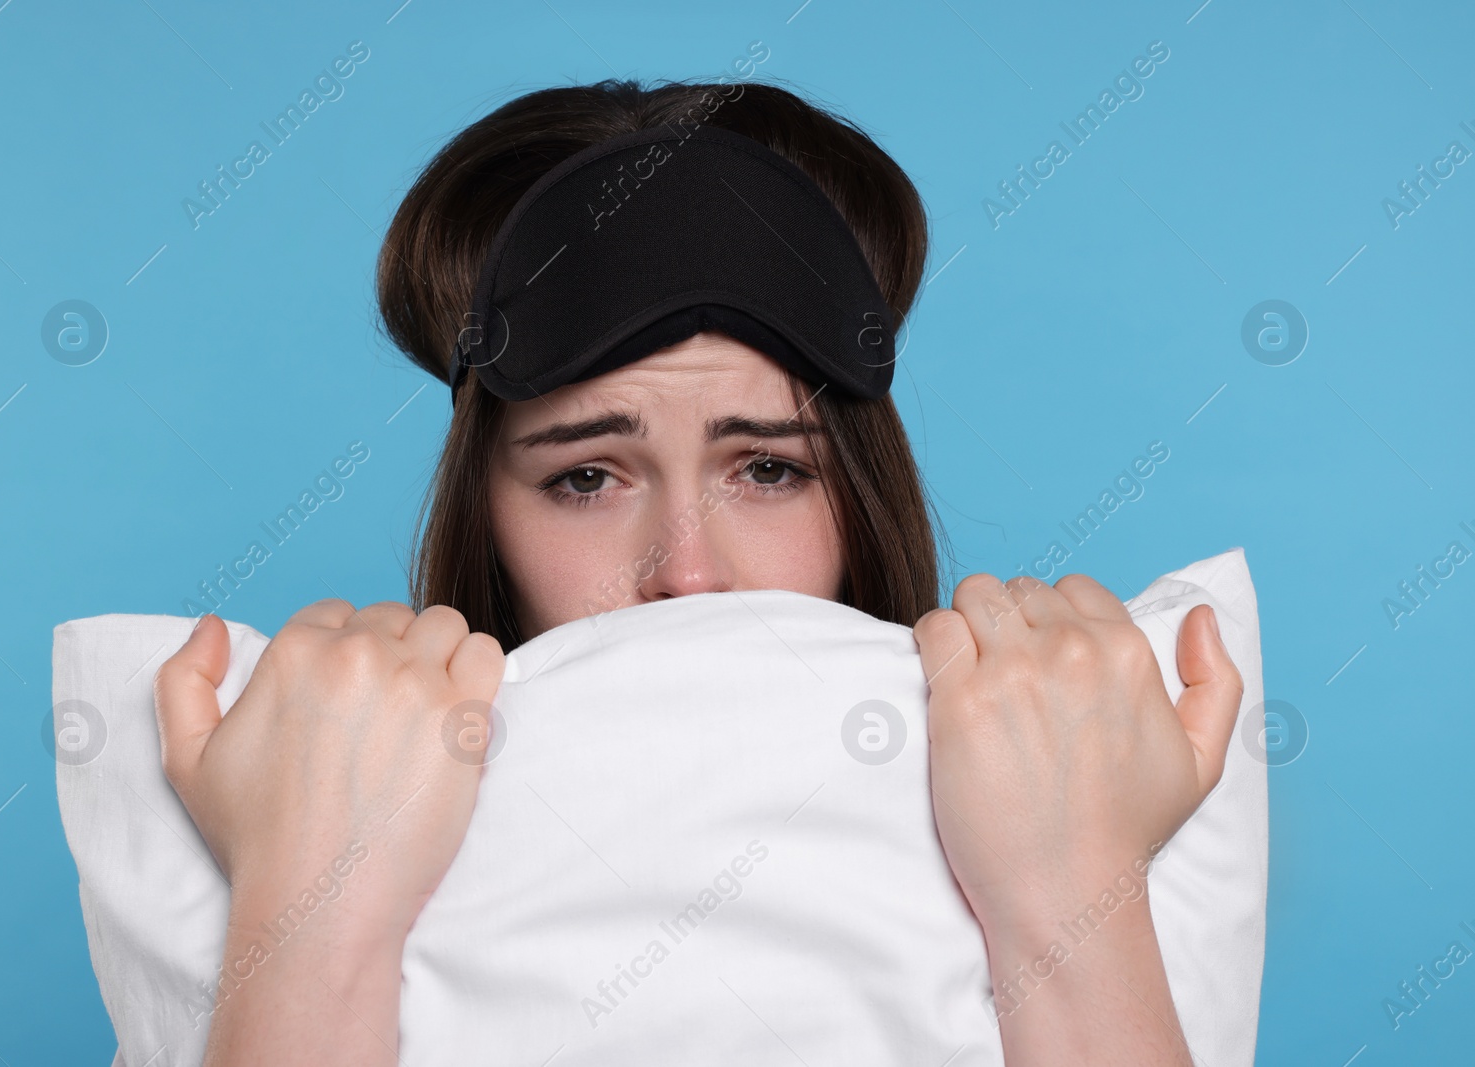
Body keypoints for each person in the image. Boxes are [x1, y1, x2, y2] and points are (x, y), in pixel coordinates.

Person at [153, 77, 1242, 1066]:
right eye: (586, 476)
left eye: (766, 466)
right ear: (483, 511)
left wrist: (1073, 897)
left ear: (862, 494)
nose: (688, 572)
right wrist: (306, 911)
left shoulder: (1073, 791)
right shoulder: (302, 815)